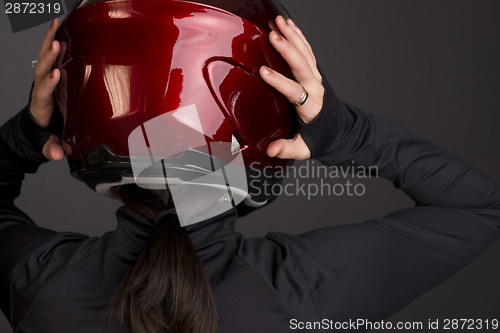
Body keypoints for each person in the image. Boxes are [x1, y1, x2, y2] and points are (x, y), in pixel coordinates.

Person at [1, 2, 500, 333]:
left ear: (76, 111)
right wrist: (342, 131)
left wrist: (27, 133)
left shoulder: (44, 286)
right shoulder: (300, 295)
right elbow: (478, 207)